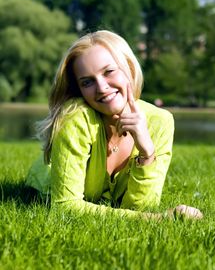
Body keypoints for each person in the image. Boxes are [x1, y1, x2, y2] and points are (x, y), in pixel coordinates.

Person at [26, 30, 202, 220]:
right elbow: (65, 206)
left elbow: (142, 207)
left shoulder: (160, 121)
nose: (101, 88)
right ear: (79, 90)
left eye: (109, 71)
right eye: (87, 82)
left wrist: (146, 153)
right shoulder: (75, 117)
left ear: (130, 68)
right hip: (46, 181)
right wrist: (159, 219)